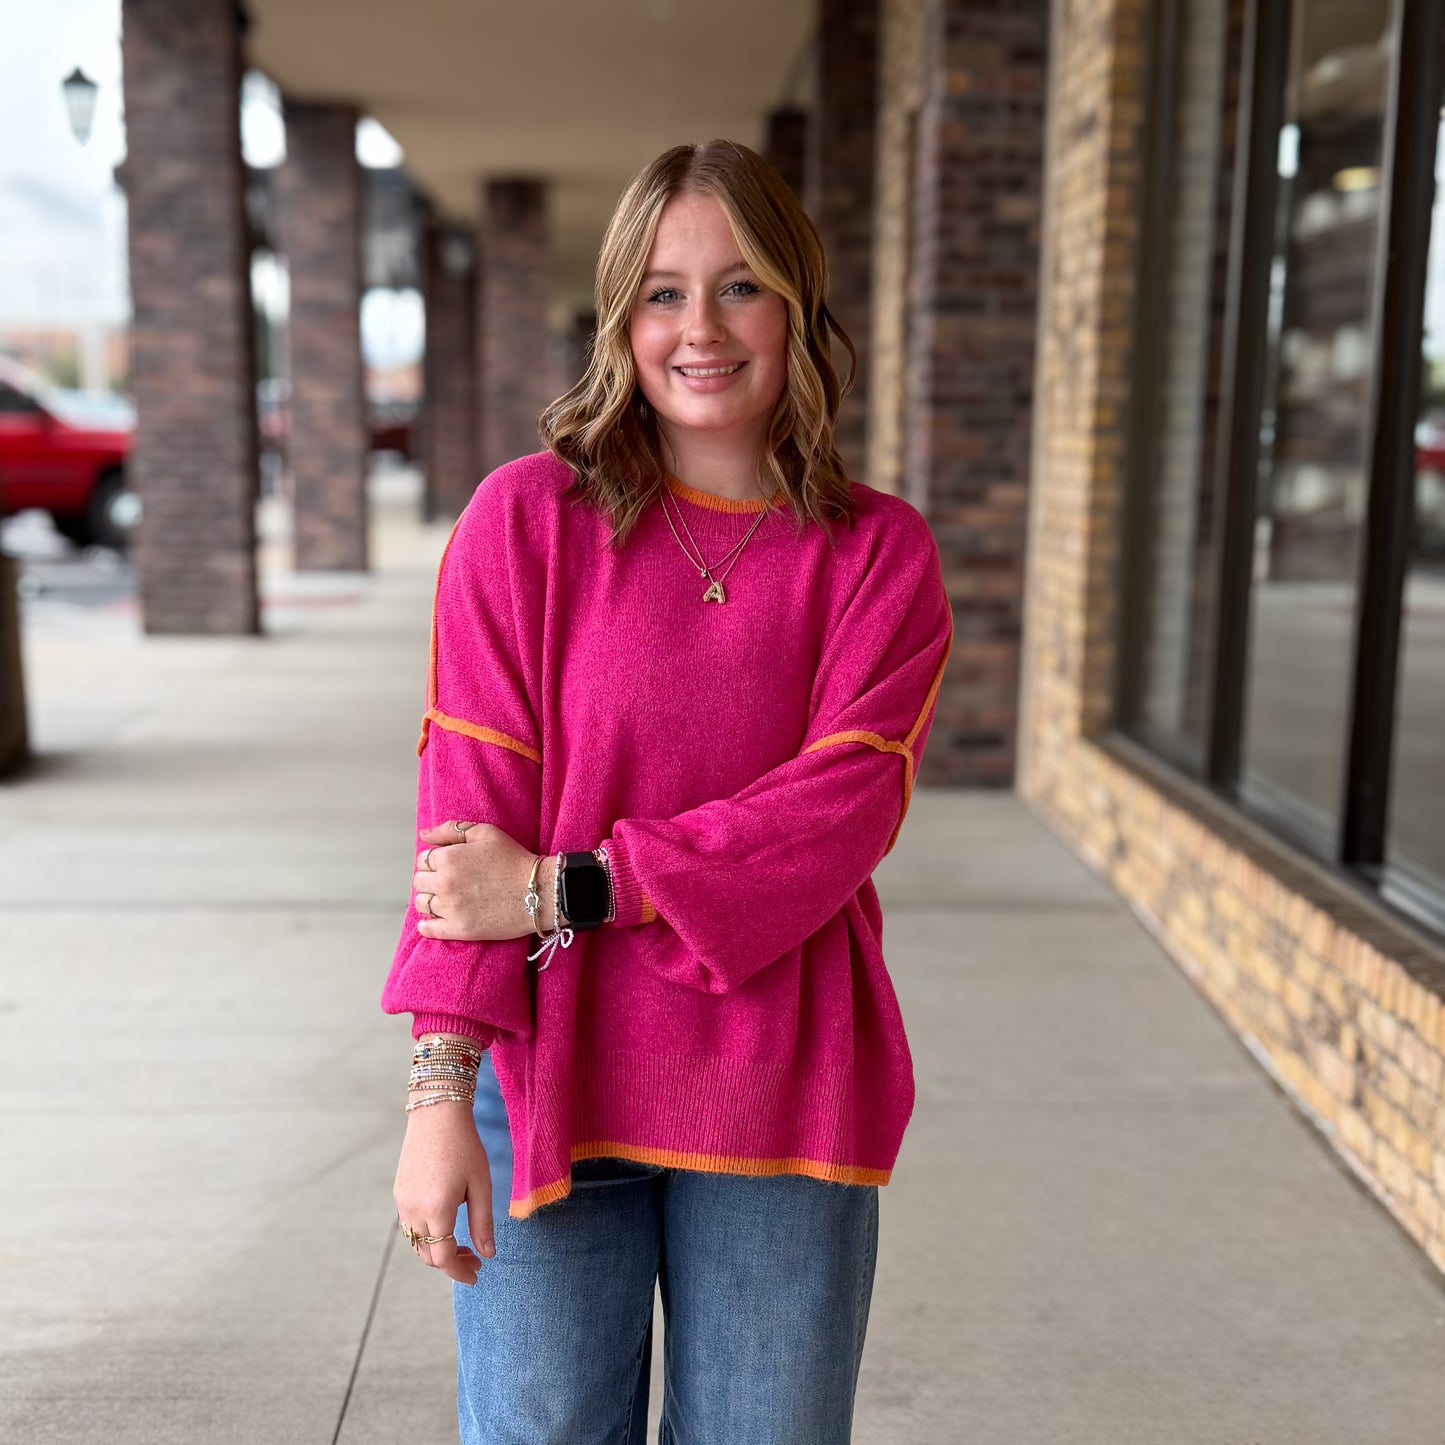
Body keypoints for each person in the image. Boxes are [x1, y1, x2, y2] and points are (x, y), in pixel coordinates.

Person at [382, 139, 952, 1445]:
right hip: (545, 1067)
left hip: (781, 1081)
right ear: (619, 318)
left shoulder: (876, 555)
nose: (700, 327)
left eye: (739, 286)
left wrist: (567, 883)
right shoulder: (524, 523)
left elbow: (838, 813)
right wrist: (432, 1099)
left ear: (797, 309)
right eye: (661, 290)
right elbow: (460, 832)